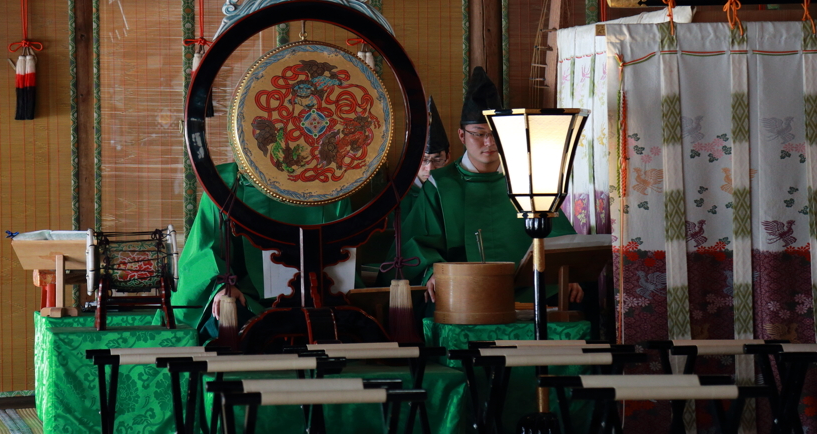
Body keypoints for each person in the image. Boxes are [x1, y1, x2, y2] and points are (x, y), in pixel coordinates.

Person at [385, 67, 584, 309]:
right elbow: (418, 241)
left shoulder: (529, 179)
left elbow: (557, 235)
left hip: (529, 289)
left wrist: (568, 273)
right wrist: (431, 272)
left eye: (495, 134)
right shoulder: (442, 184)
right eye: (479, 134)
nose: (488, 142)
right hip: (462, 289)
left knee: (575, 300)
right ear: (461, 135)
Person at [170, 161, 351, 339]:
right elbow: (206, 248)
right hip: (249, 297)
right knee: (227, 319)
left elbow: (345, 252)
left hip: (321, 293)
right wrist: (223, 285)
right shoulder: (226, 182)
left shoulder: (333, 180)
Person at [399, 96, 451, 220]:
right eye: (424, 160)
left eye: (437, 160)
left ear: (448, 157)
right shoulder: (399, 195)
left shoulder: (453, 191)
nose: (430, 168)